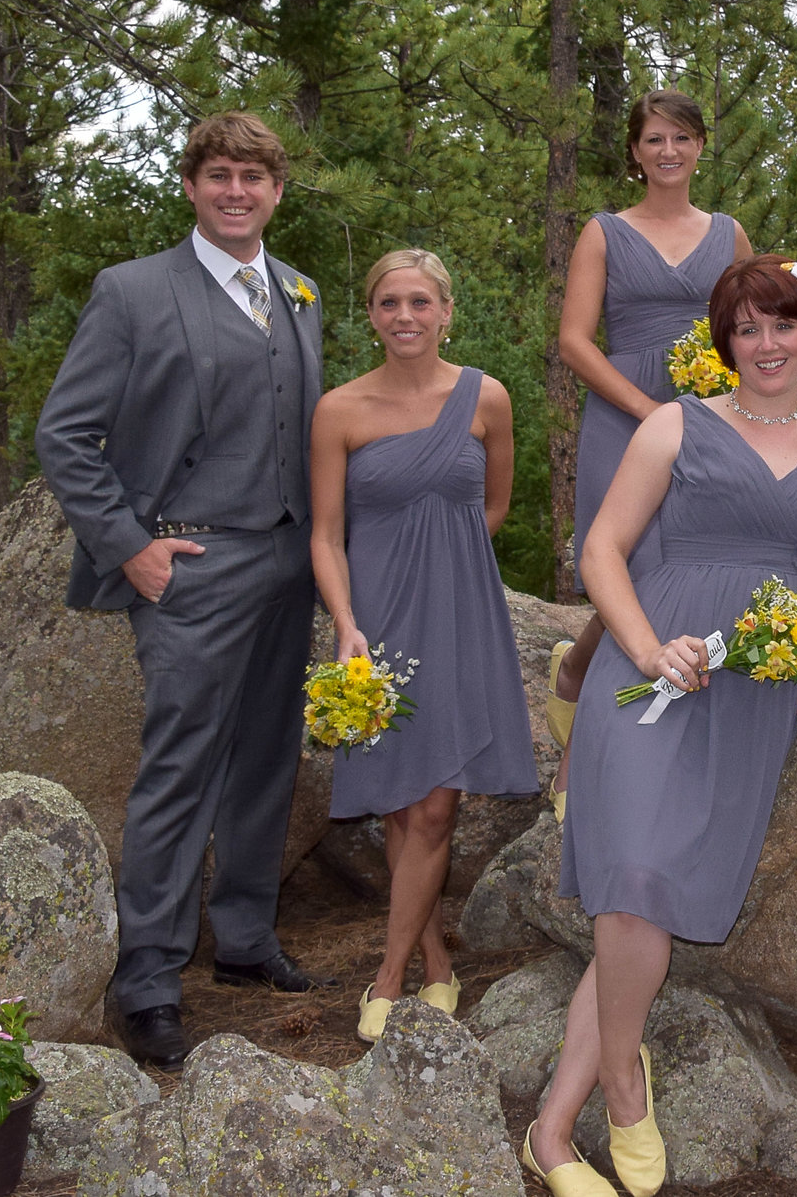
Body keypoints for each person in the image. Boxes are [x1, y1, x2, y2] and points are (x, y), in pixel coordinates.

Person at [525, 256, 797, 1197]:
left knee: (650, 906)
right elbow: (601, 547)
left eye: (784, 325)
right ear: (723, 343)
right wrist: (642, 649)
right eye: (747, 329)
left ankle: (553, 1134)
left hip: (753, 686)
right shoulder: (675, 424)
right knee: (633, 877)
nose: (767, 345)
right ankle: (627, 1086)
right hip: (655, 672)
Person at [35, 111, 330, 1071]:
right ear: (193, 187)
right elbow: (65, 435)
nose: (236, 191)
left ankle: (243, 939)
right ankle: (149, 977)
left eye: (254, 176)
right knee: (180, 768)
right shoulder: (131, 293)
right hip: (192, 566)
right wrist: (133, 549)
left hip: (289, 566)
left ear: (277, 191)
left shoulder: (298, 292)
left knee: (265, 759)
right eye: (218, 175)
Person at [309, 249, 539, 1040]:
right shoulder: (340, 409)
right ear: (369, 314)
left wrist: (450, 573)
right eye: (387, 303)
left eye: (419, 302)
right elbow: (326, 534)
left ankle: (388, 974)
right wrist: (348, 626)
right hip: (375, 620)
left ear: (446, 311)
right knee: (406, 800)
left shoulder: (488, 400)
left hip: (458, 614)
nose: (404, 316)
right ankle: (437, 961)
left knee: (437, 804)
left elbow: (497, 505)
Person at [547, 92, 752, 815]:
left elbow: (749, 328)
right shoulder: (605, 233)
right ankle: (579, 748)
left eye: (683, 138)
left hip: (703, 414)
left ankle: (580, 679)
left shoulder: (728, 236)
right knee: (626, 565)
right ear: (634, 152)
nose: (669, 151)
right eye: (655, 139)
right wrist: (651, 413)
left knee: (675, 566)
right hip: (624, 415)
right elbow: (574, 341)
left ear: (701, 147)